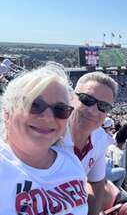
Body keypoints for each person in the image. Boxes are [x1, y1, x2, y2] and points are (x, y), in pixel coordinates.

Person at [0, 63, 88, 214]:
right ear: (8, 113)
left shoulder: (71, 162)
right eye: (34, 104)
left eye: (60, 110)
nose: (48, 117)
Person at [63, 71, 118, 215]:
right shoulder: (50, 133)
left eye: (103, 106)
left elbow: (98, 184)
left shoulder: (100, 138)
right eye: (87, 99)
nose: (93, 111)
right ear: (71, 98)